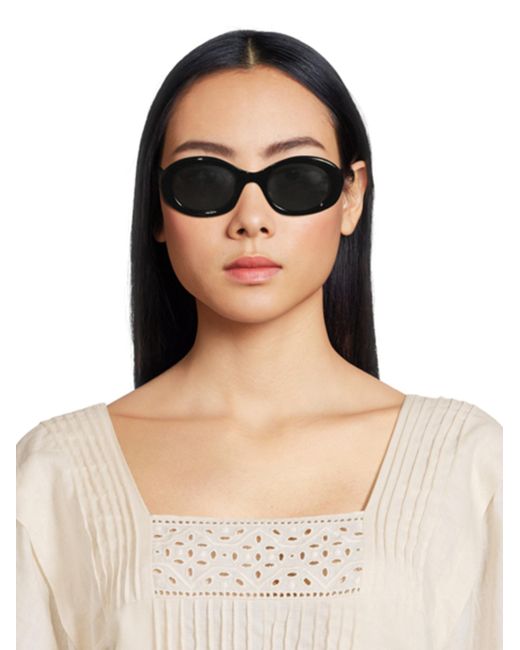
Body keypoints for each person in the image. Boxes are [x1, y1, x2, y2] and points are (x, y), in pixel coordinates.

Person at [16, 28, 502, 650]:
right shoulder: (50, 472)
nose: (251, 219)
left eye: (296, 178)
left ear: (351, 197)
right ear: (157, 207)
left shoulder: (471, 463)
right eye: (204, 180)